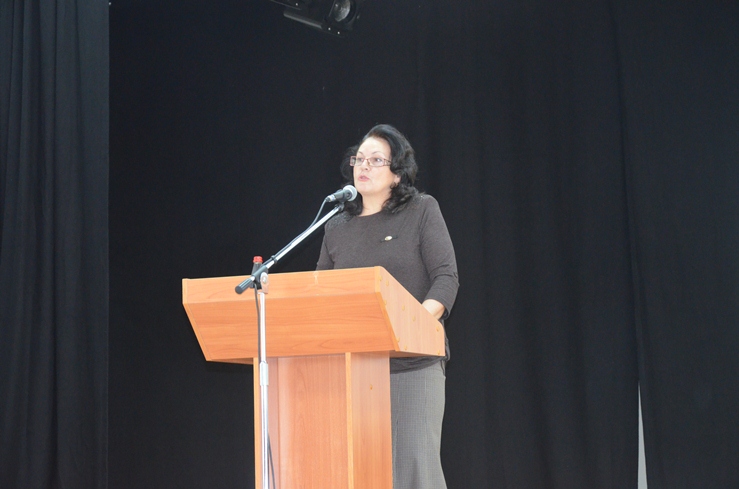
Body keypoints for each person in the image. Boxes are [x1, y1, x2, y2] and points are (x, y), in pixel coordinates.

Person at [316, 124, 459, 489]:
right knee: (360, 474)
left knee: (414, 470)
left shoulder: (421, 210)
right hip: (352, 370)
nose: (363, 166)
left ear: (397, 173)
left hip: (412, 363)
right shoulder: (336, 226)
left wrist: (413, 324)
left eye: (376, 160)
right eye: (359, 159)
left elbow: (446, 278)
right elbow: (321, 294)